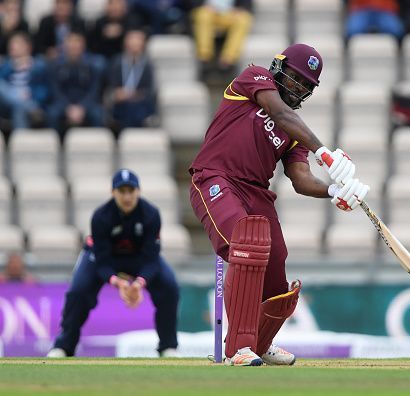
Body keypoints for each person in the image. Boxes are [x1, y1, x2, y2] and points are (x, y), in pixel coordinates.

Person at [188, 43, 370, 366]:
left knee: (276, 263)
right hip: (217, 178)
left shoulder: (294, 133)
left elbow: (301, 179)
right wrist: (324, 152)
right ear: (279, 67)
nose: (298, 88)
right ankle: (237, 349)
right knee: (245, 244)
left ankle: (259, 343)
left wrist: (333, 192)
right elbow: (280, 113)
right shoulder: (253, 78)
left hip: (257, 192)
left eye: (306, 86)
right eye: (296, 78)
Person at [47, 169, 180, 358]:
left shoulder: (151, 214)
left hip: (139, 258)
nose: (127, 196)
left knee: (169, 286)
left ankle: (168, 346)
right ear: (113, 192)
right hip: (104, 258)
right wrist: (118, 282)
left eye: (131, 191)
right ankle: (64, 346)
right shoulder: (101, 216)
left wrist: (139, 283)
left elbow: (151, 259)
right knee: (78, 291)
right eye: (121, 191)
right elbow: (102, 262)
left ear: (138, 191)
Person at [106, 29, 156, 131]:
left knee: (136, 109)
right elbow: (111, 85)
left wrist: (133, 94)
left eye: (138, 40)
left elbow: (150, 90)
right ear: (125, 43)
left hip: (140, 103)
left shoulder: (147, 65)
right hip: (120, 103)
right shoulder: (117, 62)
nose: (134, 43)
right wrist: (117, 94)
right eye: (132, 40)